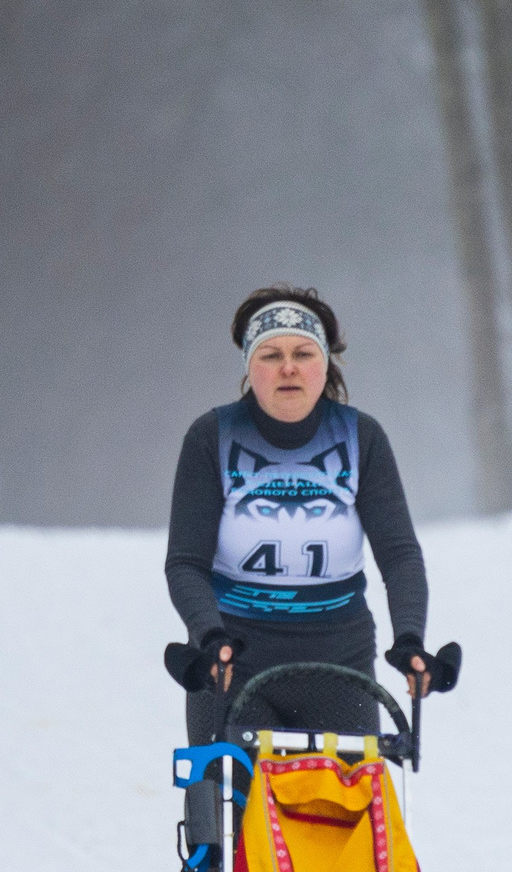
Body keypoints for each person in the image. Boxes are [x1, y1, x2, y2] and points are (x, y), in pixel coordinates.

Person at [163, 285, 447, 748]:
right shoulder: (212, 436)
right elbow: (185, 563)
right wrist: (209, 635)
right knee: (245, 788)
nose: (288, 367)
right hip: (234, 662)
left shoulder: (361, 437)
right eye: (271, 355)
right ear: (250, 367)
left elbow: (399, 556)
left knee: (345, 794)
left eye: (303, 353)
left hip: (339, 664)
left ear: (325, 364)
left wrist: (410, 640)